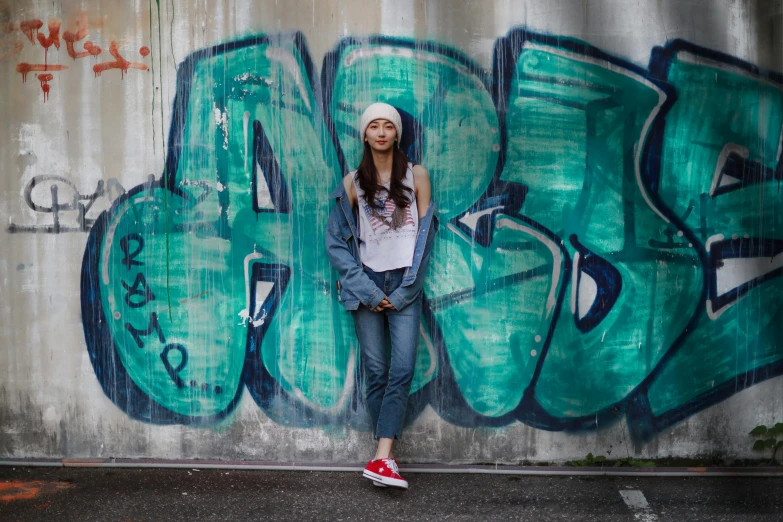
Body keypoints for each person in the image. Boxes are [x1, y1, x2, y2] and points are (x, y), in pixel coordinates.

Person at [325, 102, 438, 489]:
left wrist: (407, 288)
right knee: (375, 370)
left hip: (404, 282)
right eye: (373, 126)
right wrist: (368, 290)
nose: (380, 132)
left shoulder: (417, 176)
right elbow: (336, 243)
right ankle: (384, 457)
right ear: (364, 134)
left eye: (387, 125)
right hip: (366, 284)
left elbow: (425, 236)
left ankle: (380, 457)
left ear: (396, 133)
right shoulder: (352, 182)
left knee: (402, 368)